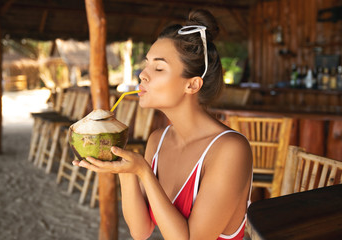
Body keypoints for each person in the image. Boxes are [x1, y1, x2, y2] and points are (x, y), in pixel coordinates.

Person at [73, 9, 253, 240]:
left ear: (192, 85)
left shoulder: (230, 150)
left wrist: (143, 172)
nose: (142, 75)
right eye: (146, 65)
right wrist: (126, 172)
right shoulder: (158, 139)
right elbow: (141, 231)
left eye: (158, 68)